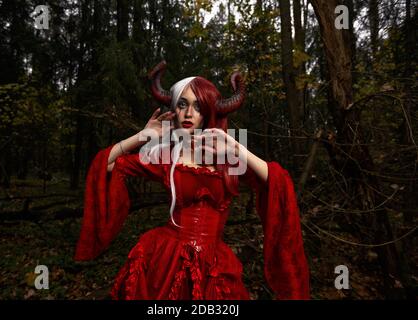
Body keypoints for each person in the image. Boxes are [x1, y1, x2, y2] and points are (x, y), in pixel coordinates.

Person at [74, 61, 310, 300]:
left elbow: (277, 181)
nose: (188, 114)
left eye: (198, 107)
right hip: (164, 260)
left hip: (213, 266)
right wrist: (142, 136)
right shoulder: (167, 157)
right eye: (183, 105)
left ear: (208, 112)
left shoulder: (228, 158)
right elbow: (104, 165)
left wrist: (237, 148)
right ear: (174, 111)